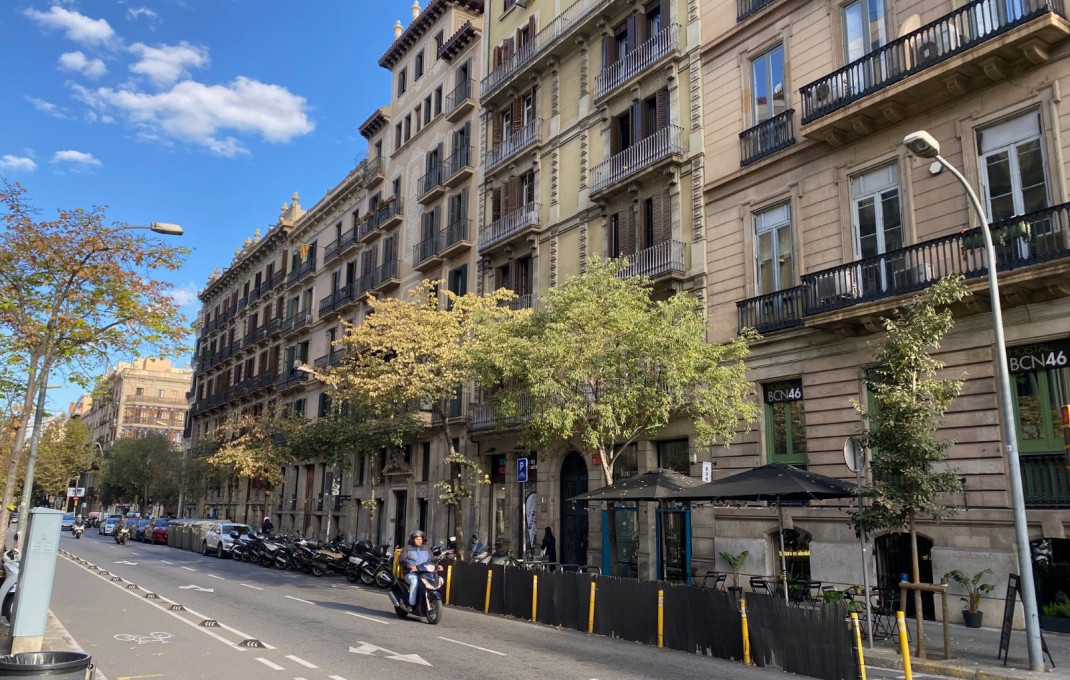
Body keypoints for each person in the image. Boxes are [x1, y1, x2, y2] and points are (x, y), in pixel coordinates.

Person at [399, 529, 432, 608]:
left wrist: (437, 565)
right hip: (411, 573)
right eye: (417, 539)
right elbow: (402, 560)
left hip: (424, 573)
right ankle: (411, 604)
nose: (419, 541)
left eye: (420, 539)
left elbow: (432, 559)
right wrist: (409, 566)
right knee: (415, 581)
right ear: (413, 539)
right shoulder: (407, 548)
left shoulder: (426, 548)